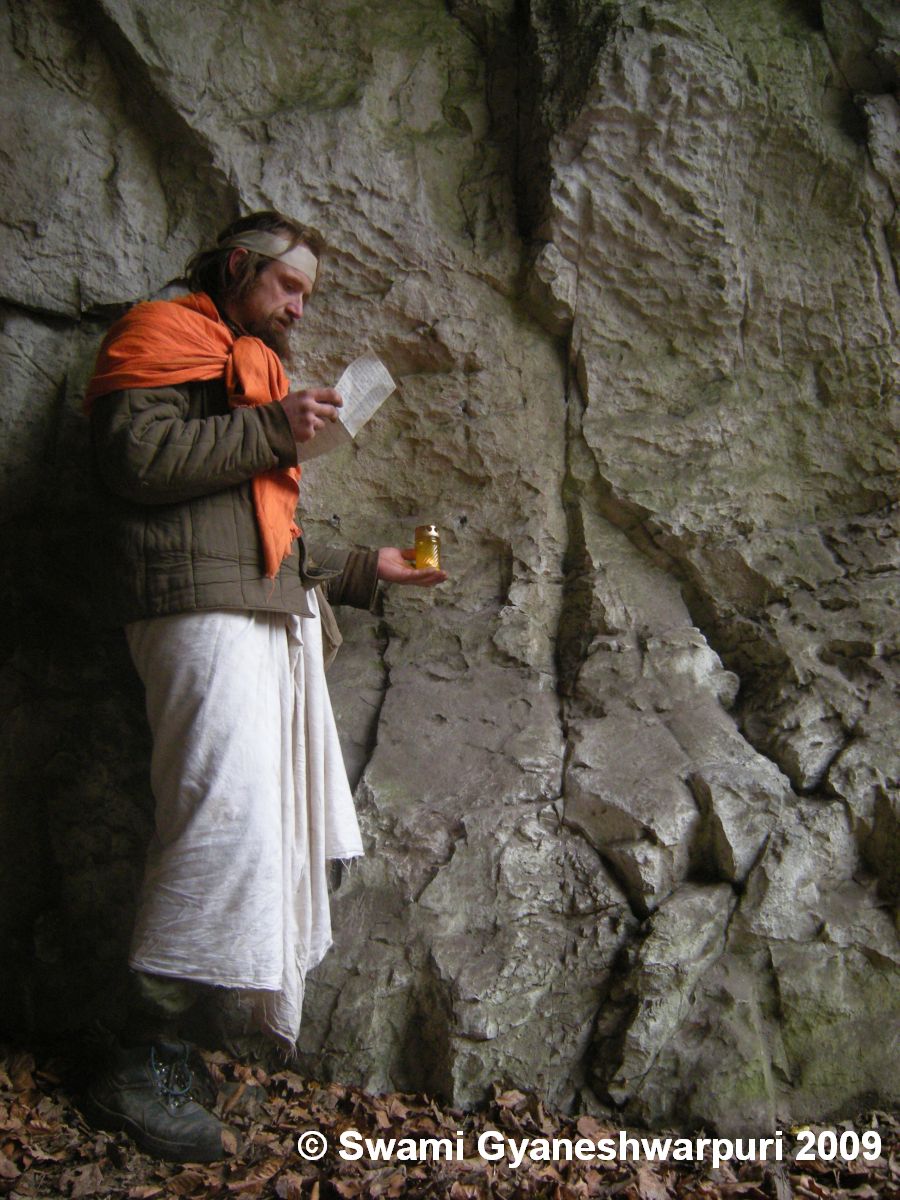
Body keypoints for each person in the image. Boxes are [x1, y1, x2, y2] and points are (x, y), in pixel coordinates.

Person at [80, 211, 446, 1161]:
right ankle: (135, 1057)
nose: (296, 308)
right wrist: (271, 427)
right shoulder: (157, 336)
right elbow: (136, 460)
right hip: (190, 616)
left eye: (305, 298)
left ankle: (175, 1044)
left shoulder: (249, 371)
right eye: (287, 287)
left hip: (253, 615)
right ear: (238, 265)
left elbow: (263, 545)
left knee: (269, 826)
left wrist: (366, 567)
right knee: (220, 822)